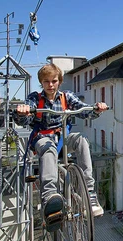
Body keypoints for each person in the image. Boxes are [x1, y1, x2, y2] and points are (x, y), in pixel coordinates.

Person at [13, 63, 109, 232]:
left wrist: (96, 109)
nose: (51, 85)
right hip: (44, 138)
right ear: (41, 83)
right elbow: (24, 120)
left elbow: (82, 110)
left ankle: (89, 193)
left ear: (59, 81)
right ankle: (50, 196)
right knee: (48, 148)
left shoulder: (66, 97)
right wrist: (22, 112)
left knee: (81, 140)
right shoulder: (35, 98)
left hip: (63, 138)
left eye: (54, 81)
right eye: (46, 81)